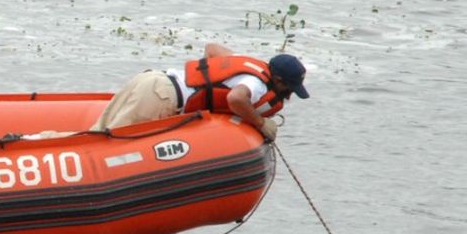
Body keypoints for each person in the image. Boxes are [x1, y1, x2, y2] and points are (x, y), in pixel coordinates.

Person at [93, 44, 309, 142]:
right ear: (278, 80)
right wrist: (260, 123)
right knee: (109, 144)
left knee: (96, 135)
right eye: (288, 89)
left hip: (151, 80)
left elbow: (211, 49)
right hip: (162, 97)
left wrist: (206, 84)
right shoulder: (257, 84)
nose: (288, 95)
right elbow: (235, 99)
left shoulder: (246, 63)